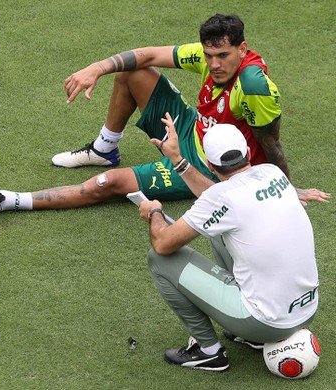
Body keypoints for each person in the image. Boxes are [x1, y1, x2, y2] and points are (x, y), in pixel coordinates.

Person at [0, 14, 329, 213]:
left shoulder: (253, 86)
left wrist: (286, 190)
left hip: (207, 167)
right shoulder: (206, 59)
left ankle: (9, 201)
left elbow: (272, 144)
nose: (214, 64)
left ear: (242, 48)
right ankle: (104, 148)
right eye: (208, 55)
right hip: (188, 129)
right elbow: (148, 56)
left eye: (223, 56)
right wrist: (96, 67)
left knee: (109, 185)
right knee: (131, 72)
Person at [137, 123, 319, 371]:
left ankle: (208, 351)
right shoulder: (272, 173)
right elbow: (223, 200)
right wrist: (177, 161)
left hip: (265, 321)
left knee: (159, 259)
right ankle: (248, 336)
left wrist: (154, 212)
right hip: (306, 312)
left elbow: (163, 243)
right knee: (218, 232)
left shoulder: (222, 198)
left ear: (210, 166)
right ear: (247, 152)